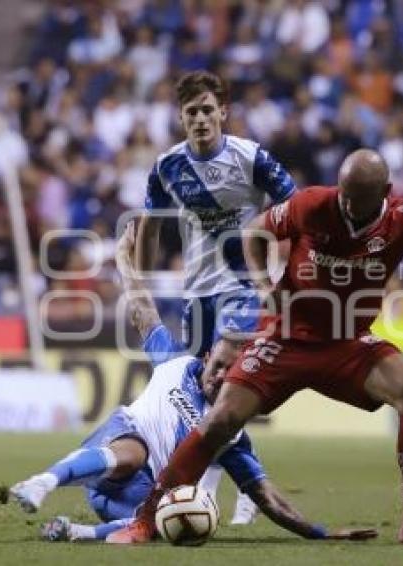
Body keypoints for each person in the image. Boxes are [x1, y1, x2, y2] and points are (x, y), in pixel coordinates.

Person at [107, 149, 403, 547]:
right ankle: (144, 520)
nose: (348, 207)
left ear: (385, 193)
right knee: (220, 418)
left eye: (359, 199)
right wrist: (264, 284)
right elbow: (254, 233)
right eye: (345, 195)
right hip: (284, 337)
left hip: (347, 342)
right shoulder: (313, 204)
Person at [7, 223, 376, 543]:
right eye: (218, 366)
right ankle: (42, 482)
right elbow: (140, 308)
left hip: (137, 500)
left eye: (230, 373)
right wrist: (123, 259)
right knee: (134, 453)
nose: (220, 377)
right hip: (120, 450)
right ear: (206, 358)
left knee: (188, 515)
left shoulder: (228, 430)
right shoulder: (174, 362)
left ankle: (77, 532)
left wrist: (317, 532)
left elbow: (267, 497)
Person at [136, 70, 297, 523]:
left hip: (243, 288)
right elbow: (151, 226)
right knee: (204, 398)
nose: (201, 118)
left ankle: (231, 486)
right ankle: (234, 481)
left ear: (222, 111)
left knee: (222, 385)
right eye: (192, 112)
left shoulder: (252, 159)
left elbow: (297, 208)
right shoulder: (168, 165)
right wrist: (142, 281)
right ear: (181, 117)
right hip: (197, 293)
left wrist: (283, 267)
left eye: (208, 109)